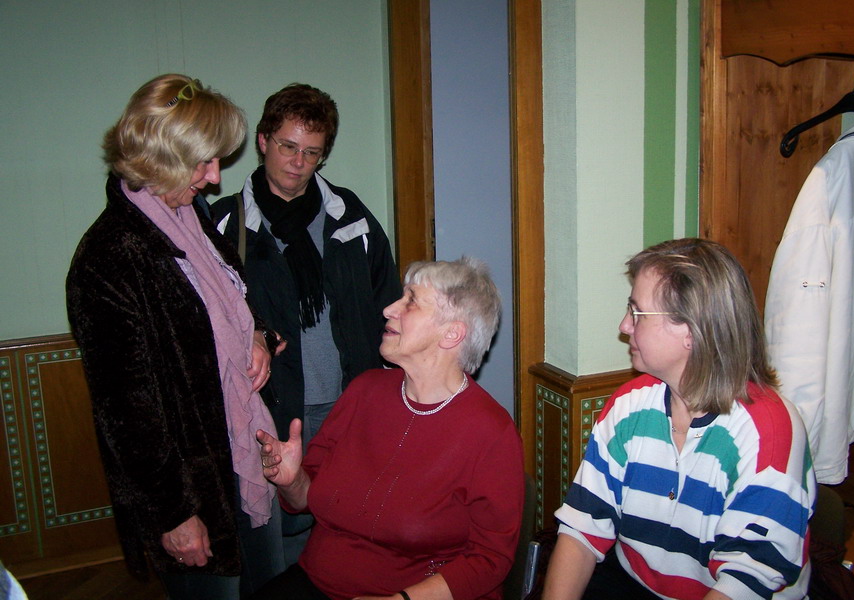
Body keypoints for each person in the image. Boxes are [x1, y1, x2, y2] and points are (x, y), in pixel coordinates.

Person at [66, 74, 285, 599]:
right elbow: (127, 413)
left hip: (244, 448)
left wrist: (258, 335)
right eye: (203, 162)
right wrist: (175, 514)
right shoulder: (109, 258)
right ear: (158, 157)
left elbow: (227, 311)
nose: (214, 178)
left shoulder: (187, 219)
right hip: (191, 488)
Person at [543, 239, 816, 600]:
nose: (625, 325)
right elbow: (582, 528)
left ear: (691, 330)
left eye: (637, 312)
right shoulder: (629, 406)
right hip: (634, 584)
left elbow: (746, 581)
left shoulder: (770, 431)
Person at [252, 257, 525, 600]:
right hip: (318, 580)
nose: (389, 309)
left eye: (410, 301)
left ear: (452, 333)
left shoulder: (490, 432)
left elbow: (490, 558)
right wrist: (293, 481)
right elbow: (309, 497)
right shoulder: (365, 390)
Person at [208, 83, 401, 560]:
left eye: (312, 153)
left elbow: (388, 301)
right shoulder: (225, 225)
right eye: (288, 147)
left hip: (349, 401)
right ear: (263, 140)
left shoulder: (349, 216)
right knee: (278, 539)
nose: (297, 162)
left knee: (348, 524)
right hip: (268, 408)